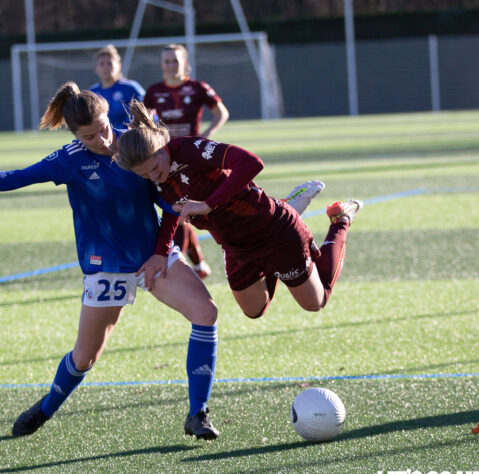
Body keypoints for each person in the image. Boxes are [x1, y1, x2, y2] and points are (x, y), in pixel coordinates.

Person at [0, 82, 221, 441]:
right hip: (106, 267)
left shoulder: (133, 144)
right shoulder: (69, 160)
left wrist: (170, 239)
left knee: (206, 313)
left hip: (151, 259)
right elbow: (19, 177)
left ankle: (198, 414)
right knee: (84, 359)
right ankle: (47, 407)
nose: (103, 140)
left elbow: (170, 200)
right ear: (75, 135)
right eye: (90, 136)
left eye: (104, 128)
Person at [116, 100, 363, 319]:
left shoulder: (190, 150)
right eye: (144, 174)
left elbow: (251, 162)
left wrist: (207, 205)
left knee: (315, 303)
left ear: (161, 146)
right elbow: (172, 209)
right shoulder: (153, 176)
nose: (152, 176)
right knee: (254, 311)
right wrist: (160, 251)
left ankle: (340, 220)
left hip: (273, 232)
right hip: (236, 246)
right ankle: (289, 215)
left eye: (154, 167)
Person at [145, 43, 234, 279]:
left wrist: (207, 135)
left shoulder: (197, 88)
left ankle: (184, 262)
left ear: (184, 62)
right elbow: (142, 120)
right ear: (161, 65)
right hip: (164, 160)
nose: (171, 65)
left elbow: (221, 112)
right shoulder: (154, 91)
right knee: (179, 208)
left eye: (175, 60)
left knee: (185, 208)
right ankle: (193, 263)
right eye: (167, 61)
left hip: (193, 158)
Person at [89, 45, 146, 131]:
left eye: (109, 63)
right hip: (102, 141)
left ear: (119, 65)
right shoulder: (92, 92)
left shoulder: (131, 88)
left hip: (128, 138)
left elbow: (149, 109)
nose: (106, 67)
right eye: (102, 64)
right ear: (96, 68)